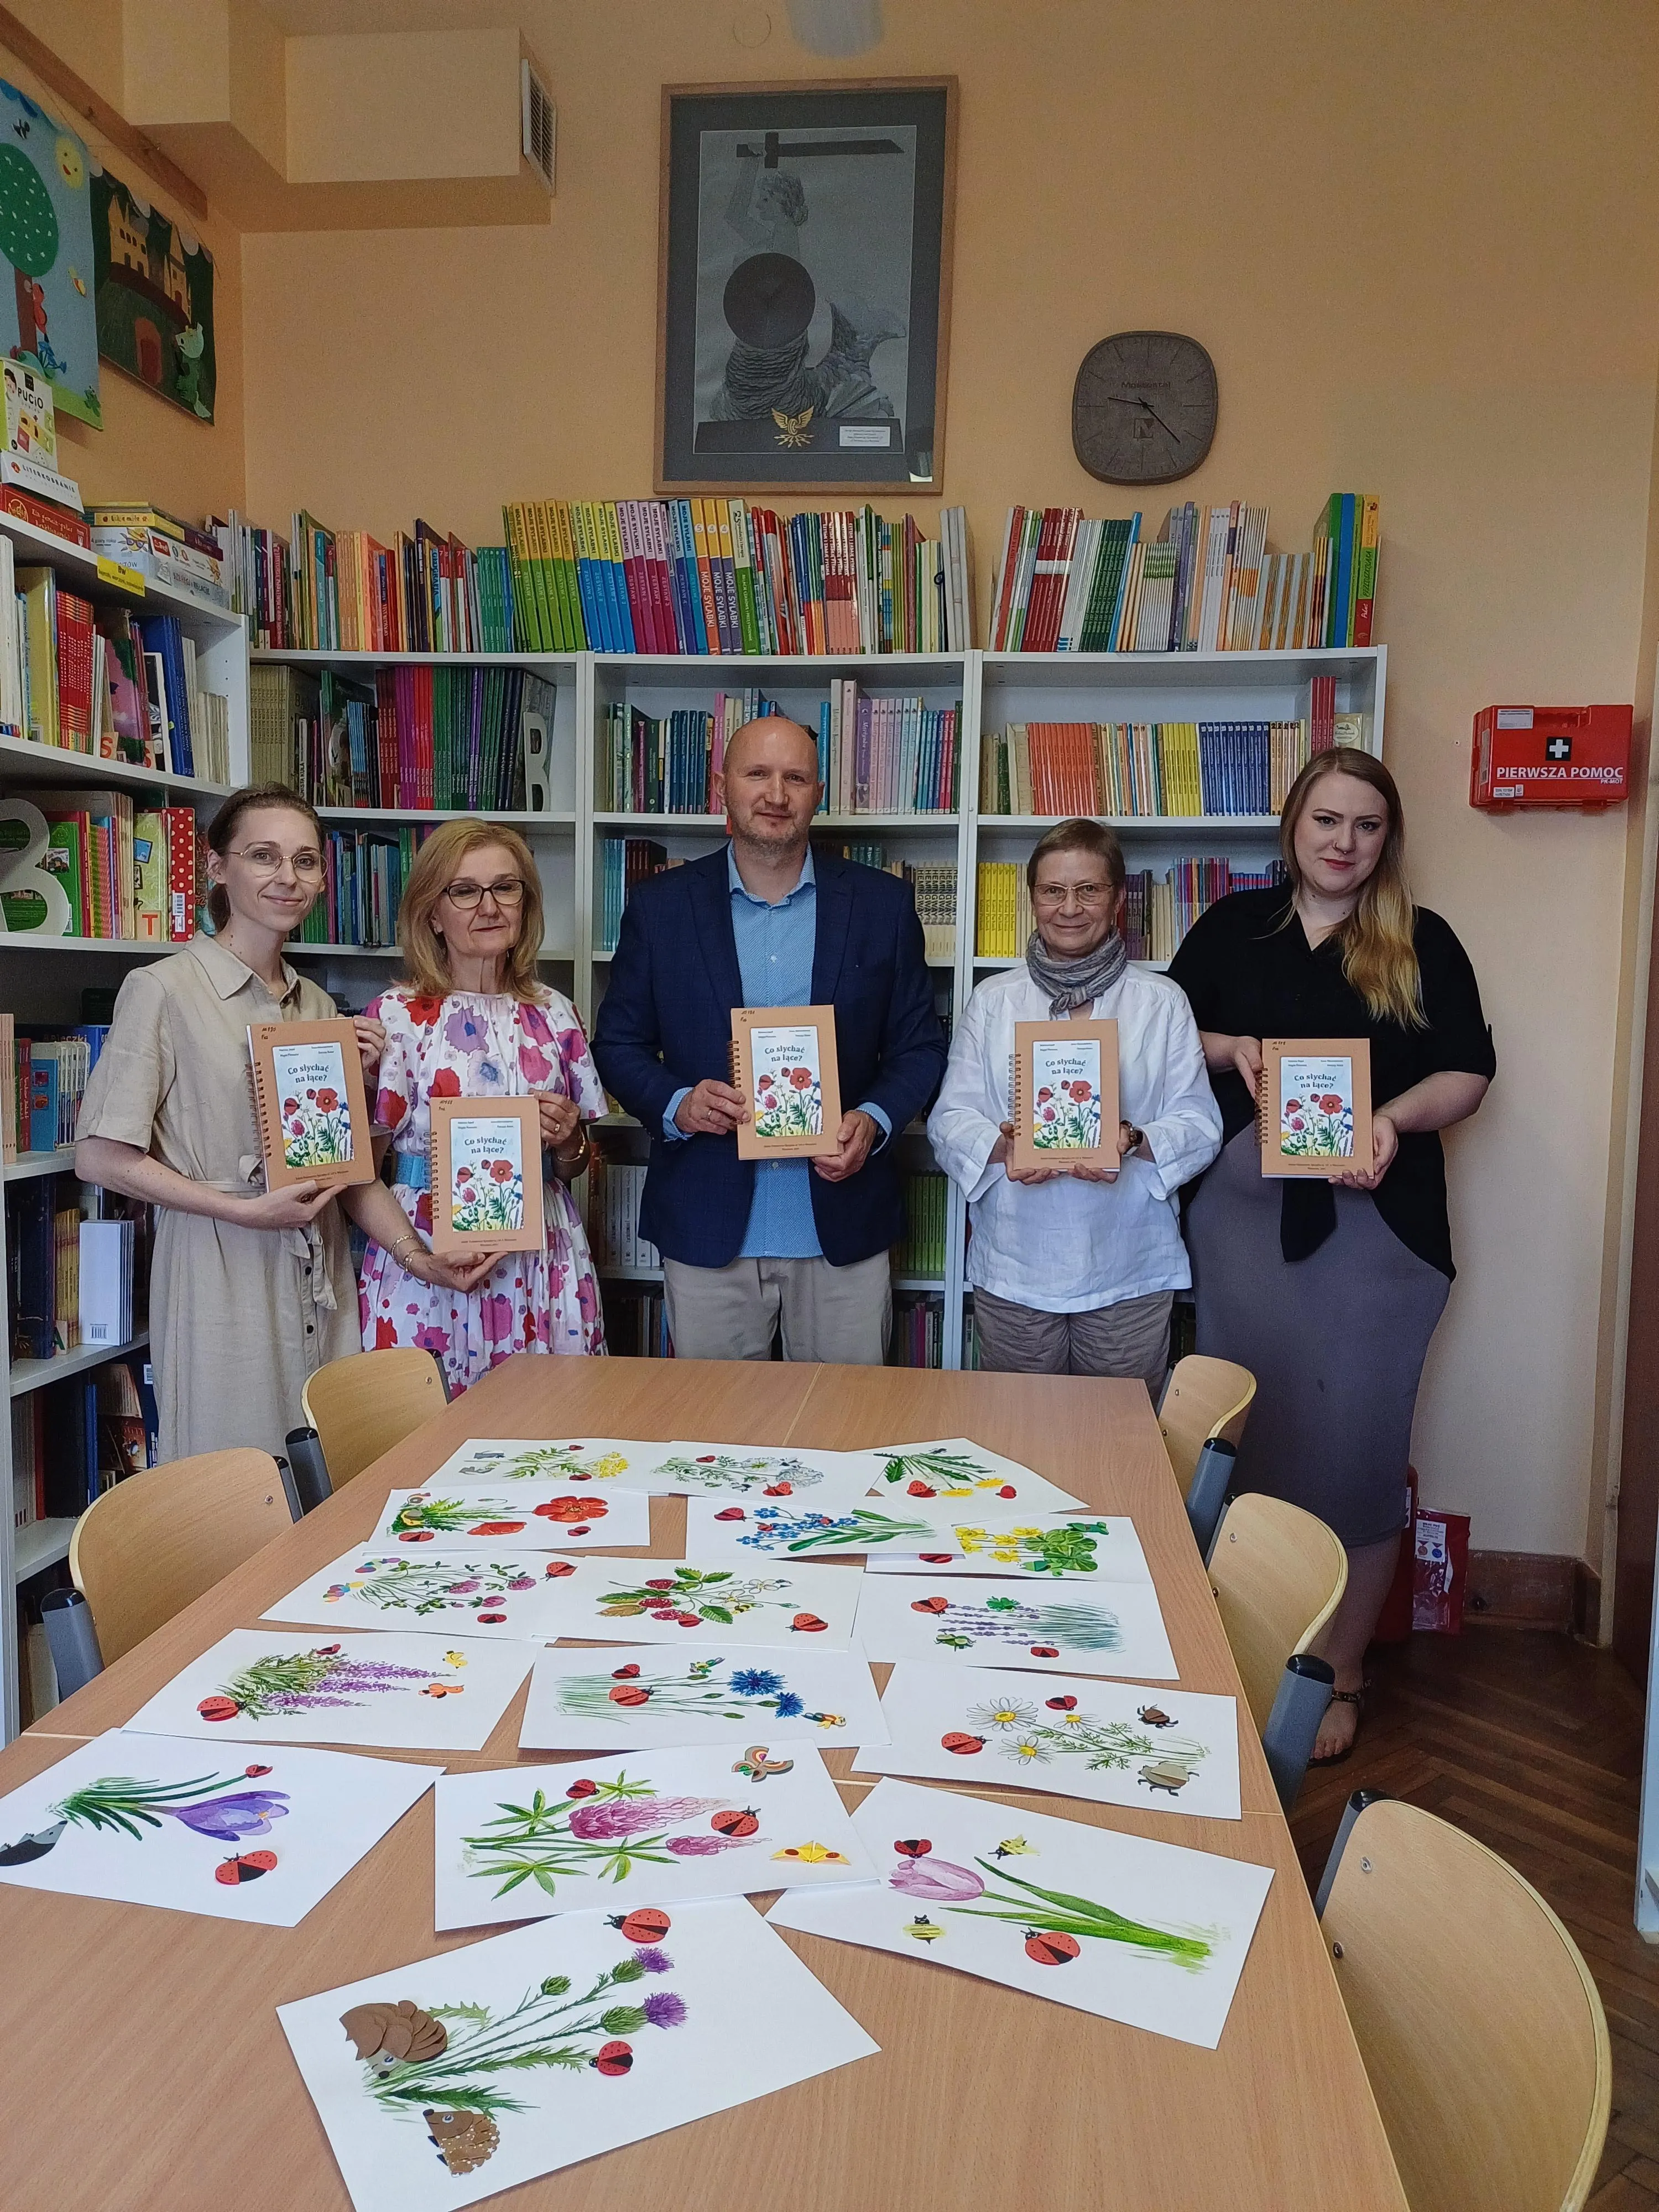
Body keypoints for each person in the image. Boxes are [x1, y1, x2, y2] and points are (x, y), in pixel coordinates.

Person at [1168, 747, 1494, 1762]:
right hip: (1242, 1228)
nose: (1345, 843)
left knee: (1351, 1454)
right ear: (1292, 827)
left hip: (1375, 1233)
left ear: (1387, 838)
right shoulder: (1231, 927)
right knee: (1248, 1440)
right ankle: (1239, 1656)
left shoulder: (1421, 940)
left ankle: (1336, 1676)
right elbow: (1165, 1033)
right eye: (1327, 822)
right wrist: (1234, 1051)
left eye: (1366, 825)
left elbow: (1469, 1071)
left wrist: (1392, 1121)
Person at [592, 713, 946, 1363]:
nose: (776, 794)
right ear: (721, 784)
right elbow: (617, 1043)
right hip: (707, 1227)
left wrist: (873, 1119)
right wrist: (677, 1105)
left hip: (842, 1227)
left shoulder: (882, 905)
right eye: (757, 773)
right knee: (718, 1445)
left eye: (795, 777)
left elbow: (920, 1046)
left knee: (845, 1437)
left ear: (818, 794)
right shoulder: (659, 907)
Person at [74, 784, 380, 1462]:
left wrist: (363, 1086)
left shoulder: (320, 1003)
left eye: (305, 861)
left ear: (323, 878)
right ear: (218, 869)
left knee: (330, 1474)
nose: (287, 877)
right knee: (236, 1478)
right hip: (220, 1260)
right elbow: (98, 1157)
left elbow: (336, 1159)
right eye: (264, 856)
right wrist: (239, 1211)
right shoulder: (162, 989)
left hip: (317, 1265)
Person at [928, 818, 1222, 1386]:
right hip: (1016, 1262)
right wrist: (1002, 1145)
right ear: (1033, 897)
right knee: (1018, 1432)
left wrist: (1132, 1140)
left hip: (1128, 1263)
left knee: (1120, 1439)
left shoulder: (1160, 1002)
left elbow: (1200, 1122)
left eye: (1089, 890)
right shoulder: (994, 1001)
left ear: (1116, 898)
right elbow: (950, 1118)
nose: (1070, 907)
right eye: (1053, 891)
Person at [344, 821, 606, 1391]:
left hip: (542, 1261)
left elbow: (576, 1162)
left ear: (525, 903)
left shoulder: (555, 1013)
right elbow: (357, 1173)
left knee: (549, 1439)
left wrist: (567, 1142)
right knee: (420, 1450)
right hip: (428, 1261)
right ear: (432, 913)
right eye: (465, 891)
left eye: (505, 888)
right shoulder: (394, 1016)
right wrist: (419, 1258)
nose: (489, 906)